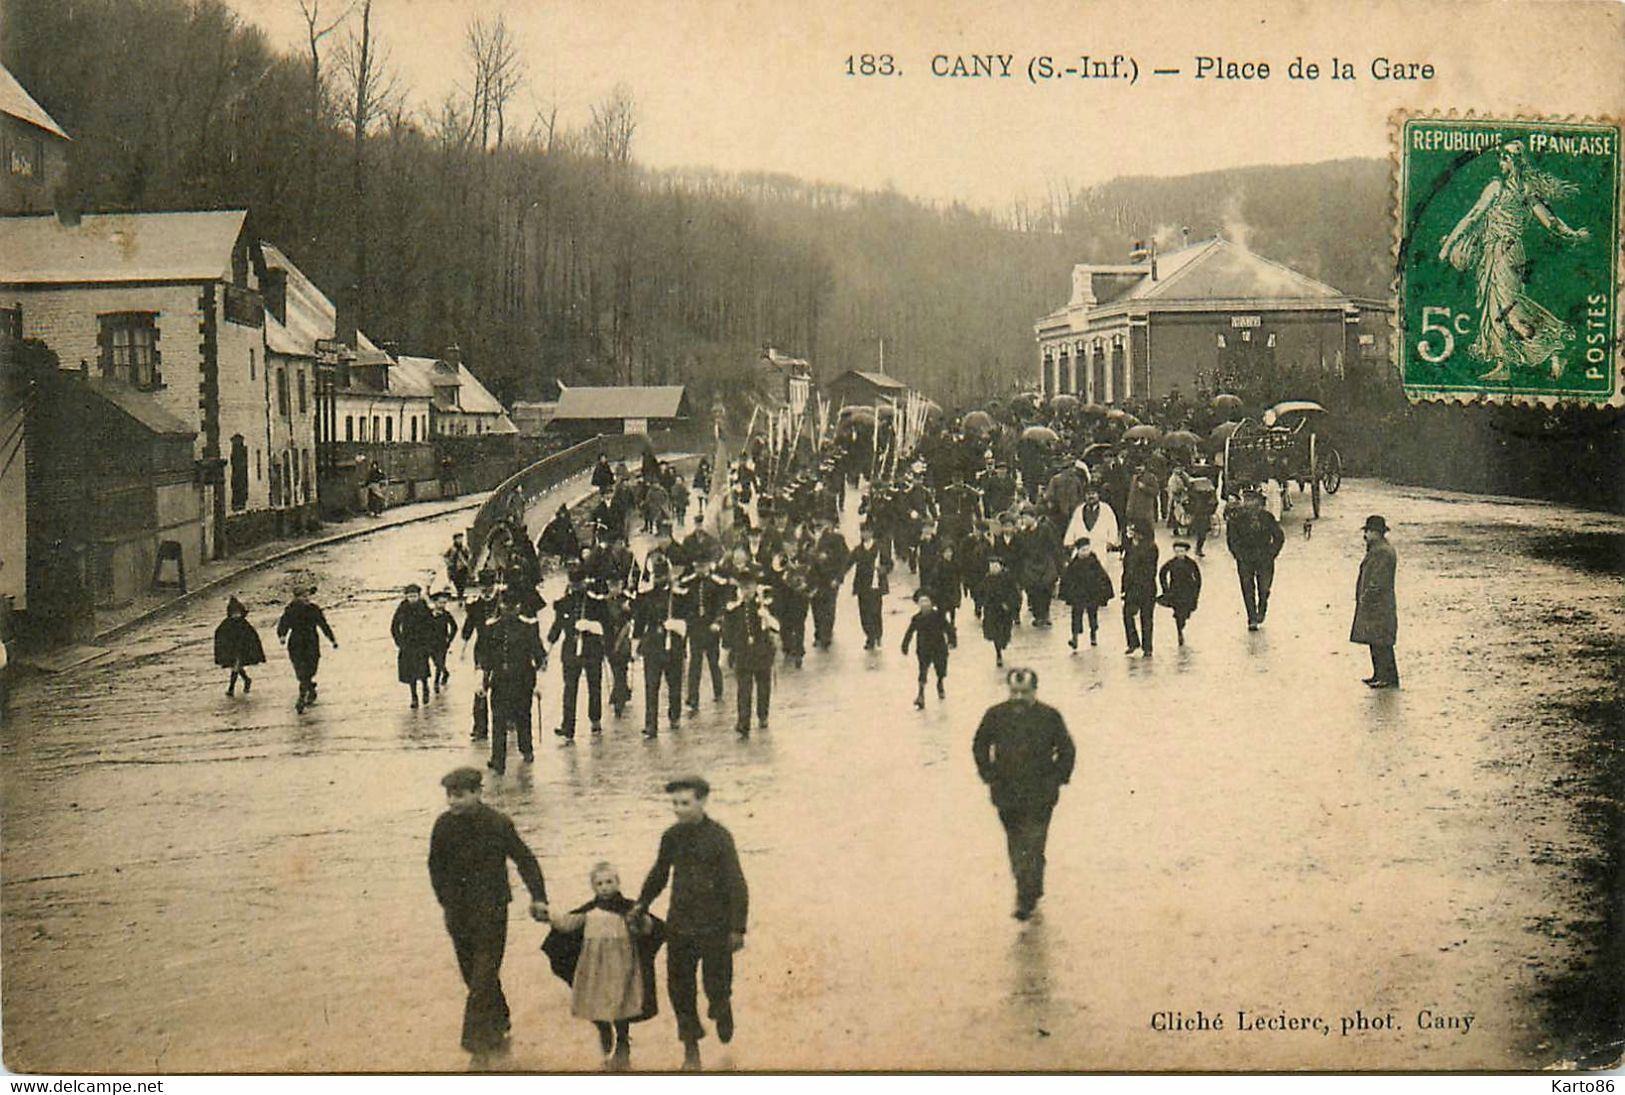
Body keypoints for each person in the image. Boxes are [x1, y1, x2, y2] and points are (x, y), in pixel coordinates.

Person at [427, 767, 550, 1065]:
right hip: (457, 912)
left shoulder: (497, 824)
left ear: (477, 793)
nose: (453, 802)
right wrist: (445, 902)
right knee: (473, 974)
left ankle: (476, 1048)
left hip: (492, 910)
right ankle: (501, 1018)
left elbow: (525, 860)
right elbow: (435, 867)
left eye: (459, 795)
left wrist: (539, 897)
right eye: (449, 796)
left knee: (483, 974)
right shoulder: (443, 826)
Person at [632, 776, 749, 1072]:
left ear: (702, 801)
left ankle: (721, 1007)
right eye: (674, 804)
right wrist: (642, 903)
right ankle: (691, 1048)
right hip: (680, 925)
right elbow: (660, 873)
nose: (679, 810)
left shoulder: (720, 837)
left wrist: (737, 928)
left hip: (715, 927)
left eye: (685, 803)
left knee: (716, 983)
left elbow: (737, 883)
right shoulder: (671, 836)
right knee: (679, 989)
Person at [971, 668, 1076, 920]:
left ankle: (1025, 895)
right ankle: (1028, 888)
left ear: (1034, 692)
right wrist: (989, 775)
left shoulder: (1049, 717)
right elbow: (980, 744)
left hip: (1040, 795)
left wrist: (1057, 779)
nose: (1018, 697)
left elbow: (1067, 749)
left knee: (1034, 842)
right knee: (1017, 844)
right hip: (1006, 793)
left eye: (1024, 693)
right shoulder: (995, 715)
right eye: (1014, 692)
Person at [542, 863, 664, 1071]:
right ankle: (603, 1028)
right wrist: (548, 915)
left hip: (622, 965)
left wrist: (643, 921)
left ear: (618, 883)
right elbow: (566, 923)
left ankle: (623, 1040)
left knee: (621, 1001)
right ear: (593, 887)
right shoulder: (588, 912)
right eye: (599, 883)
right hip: (595, 966)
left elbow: (649, 927)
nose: (605, 887)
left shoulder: (629, 909)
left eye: (609, 882)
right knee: (594, 998)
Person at [484, 589, 548, 773]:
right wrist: (482, 679)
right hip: (500, 682)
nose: (508, 610)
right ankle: (498, 760)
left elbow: (540, 655)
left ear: (518, 607)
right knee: (498, 721)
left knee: (522, 717)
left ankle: (526, 748)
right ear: (501, 606)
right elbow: (485, 655)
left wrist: (539, 683)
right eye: (505, 606)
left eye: (512, 607)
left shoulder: (528, 628)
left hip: (522, 681)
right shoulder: (492, 628)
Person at [548, 571, 608, 740]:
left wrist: (591, 626)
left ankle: (595, 718)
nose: (576, 587)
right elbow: (557, 627)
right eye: (573, 584)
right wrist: (548, 647)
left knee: (594, 686)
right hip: (570, 651)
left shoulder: (595, 603)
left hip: (591, 650)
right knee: (569, 689)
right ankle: (568, 726)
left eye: (579, 584)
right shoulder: (563, 604)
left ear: (584, 582)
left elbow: (605, 625)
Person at [722, 569, 778, 736]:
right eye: (744, 587)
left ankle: (762, 715)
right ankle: (743, 721)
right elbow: (728, 632)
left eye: (750, 587)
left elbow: (777, 627)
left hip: (762, 652)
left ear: (755, 587)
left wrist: (766, 617)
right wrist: (725, 654)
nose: (747, 591)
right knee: (743, 689)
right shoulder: (734, 608)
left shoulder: (764, 604)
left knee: (763, 687)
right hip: (743, 653)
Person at [1225, 486, 1285, 631]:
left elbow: (1279, 537)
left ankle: (1262, 606)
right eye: (1247, 501)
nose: (1250, 505)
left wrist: (1272, 553)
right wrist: (1238, 555)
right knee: (1247, 587)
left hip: (1264, 557)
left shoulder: (1267, 517)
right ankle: (1252, 617)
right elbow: (1231, 539)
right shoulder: (1236, 519)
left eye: (1253, 501)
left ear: (1259, 503)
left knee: (1264, 587)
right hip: (1245, 558)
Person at [1351, 514, 1400, 688]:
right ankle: (1379, 674)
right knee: (1375, 640)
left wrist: (1367, 596)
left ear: (1377, 533)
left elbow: (1378, 580)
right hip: (1377, 603)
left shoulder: (1382, 552)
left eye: (1369, 531)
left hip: (1379, 604)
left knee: (1381, 642)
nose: (1365, 535)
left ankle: (1386, 677)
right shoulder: (1379, 549)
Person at [276, 583, 337, 713]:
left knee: (311, 668)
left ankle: (309, 688)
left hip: (311, 642)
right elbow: (283, 623)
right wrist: (282, 635)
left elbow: (323, 624)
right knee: (301, 669)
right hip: (296, 642)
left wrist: (332, 639)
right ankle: (302, 697)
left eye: (307, 596)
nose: (306, 598)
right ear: (296, 598)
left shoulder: (314, 609)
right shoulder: (291, 609)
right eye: (303, 596)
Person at [460, 571, 500, 741]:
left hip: (500, 649)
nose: (486, 590)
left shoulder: (503, 600)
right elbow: (468, 627)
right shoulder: (475, 605)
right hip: (482, 651)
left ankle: (507, 720)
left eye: (489, 587)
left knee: (503, 686)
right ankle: (480, 728)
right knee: (480, 688)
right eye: (483, 587)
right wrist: (463, 646)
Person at [901, 590, 956, 709]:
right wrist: (905, 645)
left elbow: (948, 629)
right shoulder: (916, 618)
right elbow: (909, 632)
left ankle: (940, 683)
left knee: (940, 668)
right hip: (923, 649)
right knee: (923, 671)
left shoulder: (939, 616)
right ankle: (921, 694)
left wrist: (952, 641)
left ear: (931, 605)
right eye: (922, 605)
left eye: (927, 604)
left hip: (939, 647)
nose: (925, 607)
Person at [1058, 538, 1114, 649]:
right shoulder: (1074, 564)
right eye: (1083, 550)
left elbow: (1103, 577)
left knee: (1092, 614)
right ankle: (1074, 638)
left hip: (1092, 594)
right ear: (1078, 551)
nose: (1085, 552)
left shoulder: (1094, 562)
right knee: (1076, 615)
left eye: (1087, 549)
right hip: (1078, 594)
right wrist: (1066, 593)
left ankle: (1093, 634)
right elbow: (1067, 579)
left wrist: (1104, 592)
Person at [392, 583, 438, 708]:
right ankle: (414, 697)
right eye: (410, 596)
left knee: (423, 669)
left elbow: (432, 624)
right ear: (406, 597)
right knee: (410, 672)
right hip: (408, 644)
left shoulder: (423, 606)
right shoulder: (403, 607)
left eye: (414, 596)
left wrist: (430, 641)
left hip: (422, 643)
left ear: (419, 596)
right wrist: (399, 642)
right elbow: (395, 625)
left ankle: (425, 688)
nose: (412, 599)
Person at [850, 524, 892, 650]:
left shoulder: (879, 548)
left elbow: (889, 563)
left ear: (872, 533)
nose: (865, 534)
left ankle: (876, 635)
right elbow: (848, 562)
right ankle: (869, 635)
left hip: (875, 586)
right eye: (863, 532)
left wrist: (883, 569)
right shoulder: (858, 549)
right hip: (862, 586)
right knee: (864, 613)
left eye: (867, 532)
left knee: (875, 612)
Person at [213, 596, 266, 696]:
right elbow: (220, 635)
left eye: (237, 613)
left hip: (242, 650)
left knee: (236, 666)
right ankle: (246, 679)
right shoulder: (227, 624)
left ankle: (231, 688)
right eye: (233, 613)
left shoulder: (243, 625)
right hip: (233, 650)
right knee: (236, 666)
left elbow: (252, 637)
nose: (236, 615)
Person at [1119, 523, 1159, 656]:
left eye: (1133, 532)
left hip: (1146, 588)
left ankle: (1147, 647)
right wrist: (1124, 587)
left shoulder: (1150, 548)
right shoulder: (1130, 547)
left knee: (1146, 618)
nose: (1131, 534)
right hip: (1132, 588)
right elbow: (1126, 568)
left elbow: (1148, 570)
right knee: (1127, 614)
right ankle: (1133, 643)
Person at [1157, 540, 1203, 647]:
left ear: (1186, 552)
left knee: (1186, 612)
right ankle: (1179, 632)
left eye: (1181, 551)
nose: (1179, 554)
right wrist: (1165, 588)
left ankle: (1182, 624)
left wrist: (1196, 591)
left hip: (1188, 592)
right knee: (1178, 612)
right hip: (1176, 592)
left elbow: (1198, 578)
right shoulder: (1172, 563)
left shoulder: (1191, 563)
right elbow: (1162, 573)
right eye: (1177, 551)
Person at [978, 557, 1019, 667]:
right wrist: (981, 605)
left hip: (1005, 611)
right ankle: (998, 654)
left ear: (1001, 566)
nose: (993, 568)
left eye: (995, 565)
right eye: (991, 566)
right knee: (995, 633)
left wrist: (1010, 604)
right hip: (992, 610)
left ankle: (1004, 641)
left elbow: (1014, 593)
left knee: (1005, 630)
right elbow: (981, 593)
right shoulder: (987, 579)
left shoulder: (1008, 578)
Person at [429, 590, 458, 692]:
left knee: (440, 662)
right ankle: (445, 672)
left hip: (442, 643)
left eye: (444, 603)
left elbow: (454, 627)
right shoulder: (429, 614)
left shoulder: (446, 614)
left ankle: (436, 682)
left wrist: (449, 639)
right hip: (431, 642)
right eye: (440, 602)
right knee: (436, 662)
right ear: (435, 603)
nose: (442, 605)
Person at [444, 534, 474, 599]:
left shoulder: (464, 548)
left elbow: (470, 556)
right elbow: (446, 557)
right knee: (456, 582)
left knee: (462, 582)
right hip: (454, 569)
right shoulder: (452, 549)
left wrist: (466, 559)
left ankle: (460, 595)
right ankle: (459, 595)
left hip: (463, 569)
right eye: (458, 539)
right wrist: (450, 562)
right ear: (455, 540)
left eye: (461, 538)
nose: (460, 540)